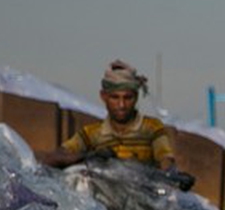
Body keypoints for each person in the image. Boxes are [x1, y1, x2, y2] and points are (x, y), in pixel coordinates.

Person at [39, 60, 179, 173]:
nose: (121, 105)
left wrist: (172, 175)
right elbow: (54, 158)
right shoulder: (91, 134)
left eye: (127, 98)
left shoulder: (152, 128)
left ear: (135, 98)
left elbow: (166, 161)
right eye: (115, 98)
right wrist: (88, 157)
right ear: (104, 97)